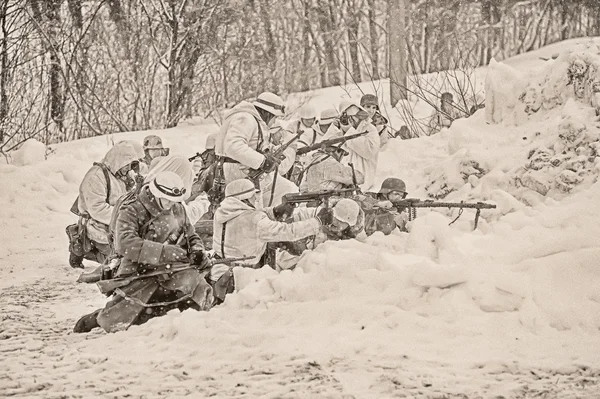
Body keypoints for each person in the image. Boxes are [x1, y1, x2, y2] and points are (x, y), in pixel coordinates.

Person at [73, 171, 213, 333]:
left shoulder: (177, 208)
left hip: (175, 268)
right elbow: (125, 244)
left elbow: (191, 235)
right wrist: (164, 252)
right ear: (156, 194)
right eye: (167, 200)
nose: (170, 204)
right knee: (122, 319)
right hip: (139, 270)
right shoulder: (132, 210)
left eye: (174, 201)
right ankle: (96, 319)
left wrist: (197, 250)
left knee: (195, 295)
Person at [212, 179, 331, 268]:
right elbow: (289, 232)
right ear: (245, 198)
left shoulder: (222, 212)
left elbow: (250, 216)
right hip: (244, 274)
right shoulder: (255, 220)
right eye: (253, 196)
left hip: (220, 266)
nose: (256, 199)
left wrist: (276, 211)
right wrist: (318, 221)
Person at [67, 141, 143, 269]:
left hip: (116, 223)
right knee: (119, 259)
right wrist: (124, 216)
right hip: (98, 224)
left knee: (134, 249)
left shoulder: (121, 174)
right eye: (126, 165)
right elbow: (98, 209)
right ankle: (81, 246)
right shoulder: (96, 177)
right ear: (118, 161)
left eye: (130, 165)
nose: (128, 169)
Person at [214, 92, 298, 207]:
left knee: (288, 189)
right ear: (267, 113)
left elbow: (253, 146)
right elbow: (233, 146)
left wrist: (270, 154)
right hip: (237, 172)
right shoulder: (245, 118)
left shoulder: (253, 120)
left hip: (246, 172)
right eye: (275, 117)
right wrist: (263, 161)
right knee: (250, 214)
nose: (274, 122)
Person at [275, 197, 367, 270]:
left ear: (350, 224)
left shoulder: (357, 239)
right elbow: (295, 216)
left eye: (341, 221)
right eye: (335, 217)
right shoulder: (320, 214)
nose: (335, 222)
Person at [323, 101, 380, 192]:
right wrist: (334, 128)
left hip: (363, 180)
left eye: (352, 118)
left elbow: (369, 151)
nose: (350, 121)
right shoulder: (339, 129)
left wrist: (349, 131)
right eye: (346, 118)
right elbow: (323, 146)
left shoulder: (369, 129)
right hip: (340, 179)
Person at [299, 145, 364, 192]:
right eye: (342, 154)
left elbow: (303, 188)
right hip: (325, 202)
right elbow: (359, 178)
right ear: (339, 151)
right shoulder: (329, 162)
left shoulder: (313, 160)